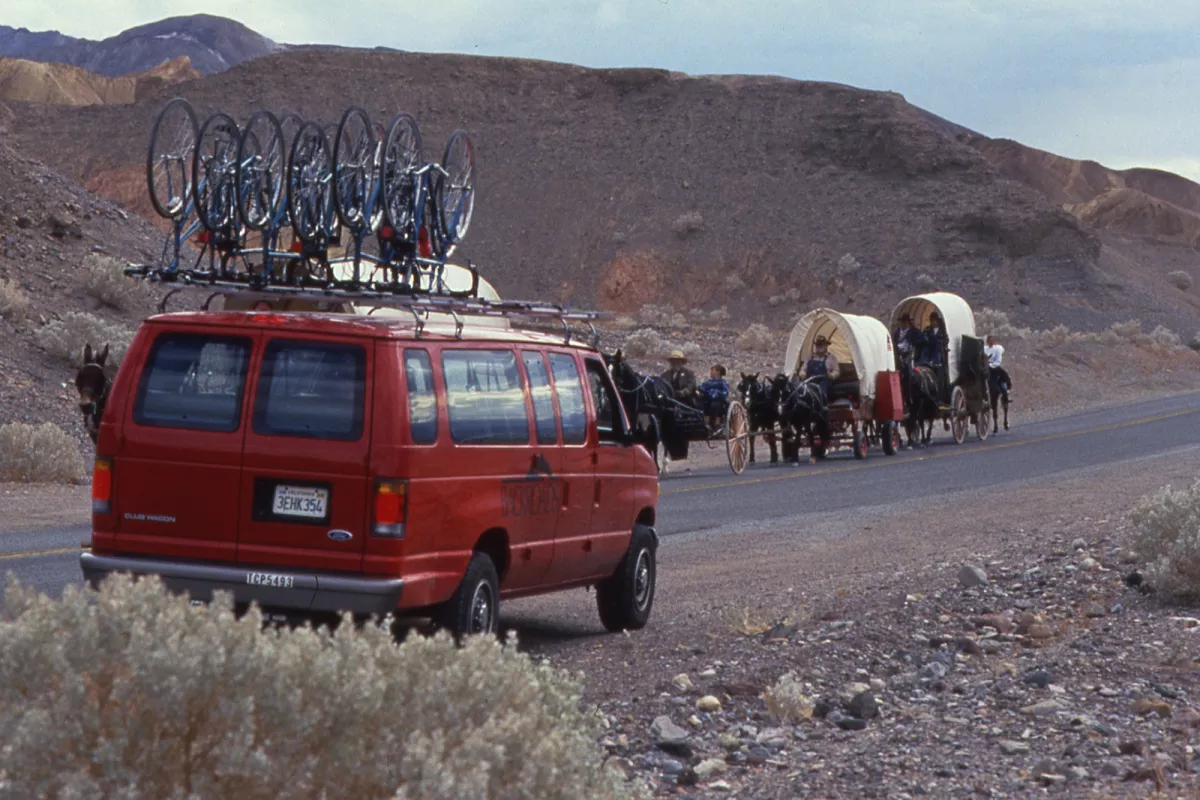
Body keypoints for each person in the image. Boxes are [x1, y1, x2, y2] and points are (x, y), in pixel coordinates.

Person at [797, 335, 839, 399]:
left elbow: (836, 371)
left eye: (821, 344)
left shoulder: (832, 358)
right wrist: (802, 374)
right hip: (810, 380)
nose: (819, 346)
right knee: (798, 387)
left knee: (821, 388)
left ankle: (822, 404)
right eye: (818, 345)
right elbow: (803, 369)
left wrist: (831, 375)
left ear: (826, 346)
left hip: (825, 381)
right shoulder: (810, 357)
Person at [698, 364, 730, 432]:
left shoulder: (722, 383)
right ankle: (701, 423)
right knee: (699, 404)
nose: (710, 372)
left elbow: (725, 393)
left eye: (712, 370)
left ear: (717, 372)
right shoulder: (708, 382)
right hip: (707, 401)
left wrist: (716, 393)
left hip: (718, 403)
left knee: (714, 405)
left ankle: (713, 425)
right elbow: (702, 387)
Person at [985, 334, 1012, 403]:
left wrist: (990, 365)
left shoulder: (997, 349)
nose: (990, 342)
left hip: (994, 367)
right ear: (987, 341)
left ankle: (1005, 393)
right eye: (989, 341)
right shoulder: (984, 349)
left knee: (1003, 375)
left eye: (992, 341)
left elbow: (998, 361)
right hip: (985, 366)